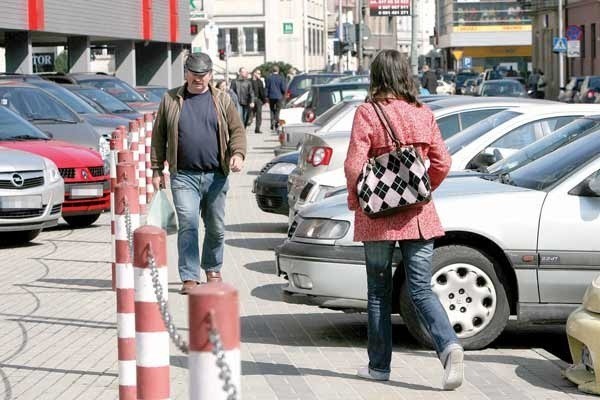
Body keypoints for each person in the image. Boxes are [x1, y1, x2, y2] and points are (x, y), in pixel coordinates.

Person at [343, 49, 464, 390]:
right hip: (419, 215)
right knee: (421, 288)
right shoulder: (422, 113)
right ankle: (449, 346)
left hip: (378, 218)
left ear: (376, 76)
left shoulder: (367, 113)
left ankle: (379, 368)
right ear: (405, 75)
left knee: (379, 293)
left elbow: (354, 164)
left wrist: (357, 200)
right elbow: (442, 162)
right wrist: (423, 190)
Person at [150, 52, 247, 294]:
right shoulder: (171, 100)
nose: (199, 80)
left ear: (210, 75)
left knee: (215, 226)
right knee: (189, 223)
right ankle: (189, 276)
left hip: (216, 175)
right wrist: (155, 168)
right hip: (183, 175)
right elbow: (158, 136)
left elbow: (237, 131)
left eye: (203, 76)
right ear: (186, 74)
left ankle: (213, 268)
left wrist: (238, 154)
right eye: (194, 75)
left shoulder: (222, 100)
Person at [265, 65, 287, 131]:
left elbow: (267, 88)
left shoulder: (268, 78)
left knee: (272, 110)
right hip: (279, 96)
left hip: (271, 96)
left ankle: (272, 123)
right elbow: (283, 88)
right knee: (278, 110)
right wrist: (283, 95)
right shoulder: (281, 78)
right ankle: (276, 123)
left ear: (272, 70)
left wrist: (266, 97)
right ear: (278, 70)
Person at [249, 69, 267, 134]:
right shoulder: (249, 81)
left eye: (260, 73)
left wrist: (264, 101)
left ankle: (257, 128)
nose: (259, 75)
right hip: (251, 100)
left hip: (259, 100)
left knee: (259, 115)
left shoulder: (260, 82)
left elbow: (262, 92)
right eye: (258, 73)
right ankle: (248, 123)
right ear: (254, 73)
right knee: (251, 114)